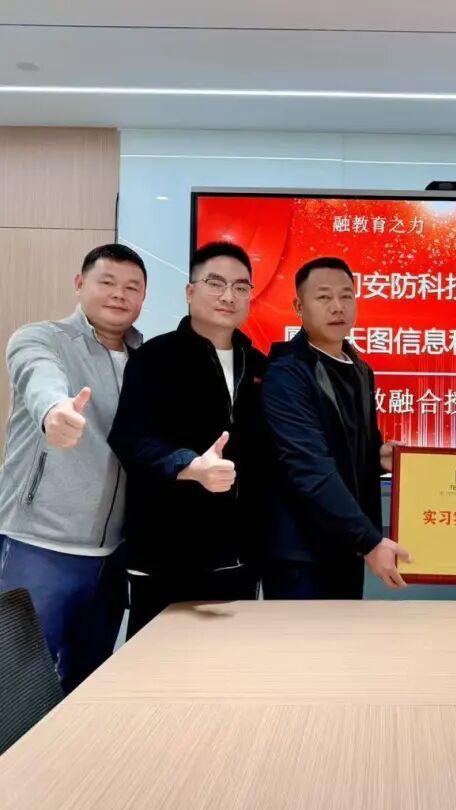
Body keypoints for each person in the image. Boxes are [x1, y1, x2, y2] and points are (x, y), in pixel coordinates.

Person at [0, 243, 146, 691]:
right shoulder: (42, 339)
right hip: (39, 546)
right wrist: (54, 411)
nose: (119, 294)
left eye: (132, 287)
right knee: (17, 688)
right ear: (80, 284)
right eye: (107, 282)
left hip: (112, 556)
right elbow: (39, 376)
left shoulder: (145, 358)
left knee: (87, 682)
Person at [108, 242, 266, 637]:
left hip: (239, 557)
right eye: (215, 283)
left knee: (229, 665)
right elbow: (130, 439)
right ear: (190, 291)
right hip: (166, 554)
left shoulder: (260, 365)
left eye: (241, 287)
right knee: (155, 665)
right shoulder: (154, 358)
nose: (228, 296)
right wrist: (189, 466)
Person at [261, 256, 409, 598]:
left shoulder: (359, 369)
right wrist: (369, 540)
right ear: (299, 307)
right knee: (303, 635)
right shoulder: (287, 373)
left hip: (346, 545)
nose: (337, 306)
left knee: (345, 633)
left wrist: (378, 457)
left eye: (346, 295)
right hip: (301, 554)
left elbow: (352, 447)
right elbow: (308, 466)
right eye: (324, 297)